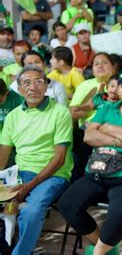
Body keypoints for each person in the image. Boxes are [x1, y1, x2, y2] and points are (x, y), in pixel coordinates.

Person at [58, 66, 122, 255]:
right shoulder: (107, 107)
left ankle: (98, 253)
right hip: (97, 173)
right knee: (67, 205)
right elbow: (89, 136)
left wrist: (106, 128)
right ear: (118, 89)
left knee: (119, 214)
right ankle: (106, 249)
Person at [0, 65, 73, 255]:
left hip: (52, 175)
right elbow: (3, 155)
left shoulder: (60, 112)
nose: (33, 87)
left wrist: (28, 187)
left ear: (47, 86)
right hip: (19, 173)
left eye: (39, 81)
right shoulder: (13, 116)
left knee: (31, 212)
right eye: (26, 82)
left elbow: (59, 159)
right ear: (20, 88)